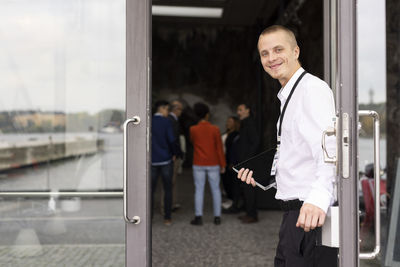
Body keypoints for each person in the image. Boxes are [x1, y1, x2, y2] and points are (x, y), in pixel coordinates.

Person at [237, 25, 338, 266]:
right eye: (264, 53)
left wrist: (318, 198)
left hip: (309, 215)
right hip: (293, 216)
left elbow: (329, 146)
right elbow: (297, 153)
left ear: (295, 51)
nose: (271, 58)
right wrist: (267, 177)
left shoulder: (312, 90)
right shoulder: (289, 94)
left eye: (278, 50)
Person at [189, 102, 226, 226]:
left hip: (198, 162)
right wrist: (223, 164)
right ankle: (217, 217)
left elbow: (193, 143)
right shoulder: (215, 129)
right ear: (207, 115)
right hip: (213, 162)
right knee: (215, 189)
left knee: (199, 189)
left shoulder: (193, 129)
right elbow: (219, 148)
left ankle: (198, 217)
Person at [151, 100, 177, 226]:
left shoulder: (149, 120)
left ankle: (148, 217)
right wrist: (174, 153)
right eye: (167, 109)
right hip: (166, 159)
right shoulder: (166, 122)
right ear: (161, 108)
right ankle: (167, 218)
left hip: (152, 160)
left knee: (150, 191)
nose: (168, 112)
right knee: (167, 189)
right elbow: (171, 140)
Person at [236, 103, 260, 223]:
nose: (238, 112)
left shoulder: (249, 123)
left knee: (249, 188)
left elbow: (255, 142)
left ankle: (252, 215)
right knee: (246, 188)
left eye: (240, 110)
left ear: (247, 110)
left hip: (248, 162)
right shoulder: (246, 123)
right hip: (246, 161)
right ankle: (249, 213)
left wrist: (247, 158)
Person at [160, 100, 184, 213]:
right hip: (171, 156)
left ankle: (171, 203)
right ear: (176, 109)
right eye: (180, 109)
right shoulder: (170, 120)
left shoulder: (172, 120)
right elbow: (172, 139)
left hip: (172, 154)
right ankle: (165, 206)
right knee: (168, 181)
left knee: (172, 181)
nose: (181, 112)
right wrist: (174, 153)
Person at [221, 116, 240, 208]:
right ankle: (229, 200)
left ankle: (233, 202)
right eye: (227, 121)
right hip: (224, 160)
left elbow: (234, 150)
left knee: (231, 182)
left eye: (230, 121)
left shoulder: (236, 135)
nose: (228, 123)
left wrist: (232, 161)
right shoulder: (226, 134)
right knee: (225, 181)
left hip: (231, 161)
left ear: (235, 123)